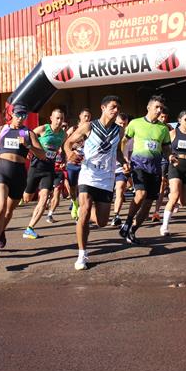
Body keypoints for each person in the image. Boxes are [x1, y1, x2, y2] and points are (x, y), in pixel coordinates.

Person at [64, 95, 128, 270]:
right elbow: (68, 143)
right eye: (112, 107)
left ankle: (88, 207)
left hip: (106, 179)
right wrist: (70, 153)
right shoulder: (89, 127)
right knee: (84, 213)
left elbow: (118, 153)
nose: (115, 111)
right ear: (103, 108)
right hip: (88, 174)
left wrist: (124, 163)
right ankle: (82, 255)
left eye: (117, 109)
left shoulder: (119, 131)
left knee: (102, 222)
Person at [0, 103, 45, 260]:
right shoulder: (2, 129)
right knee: (1, 206)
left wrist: (28, 145)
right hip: (1, 170)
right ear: (12, 114)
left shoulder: (28, 133)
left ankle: (1, 230)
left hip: (18, 174)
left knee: (9, 211)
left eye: (24, 116)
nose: (21, 118)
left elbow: (42, 155)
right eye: (18, 115)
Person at [119, 95, 172, 245]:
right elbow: (124, 140)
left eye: (161, 108)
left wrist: (171, 157)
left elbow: (167, 148)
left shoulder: (163, 129)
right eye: (156, 107)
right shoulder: (135, 123)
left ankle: (132, 230)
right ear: (148, 107)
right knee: (140, 194)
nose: (159, 110)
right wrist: (125, 159)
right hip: (138, 165)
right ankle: (128, 222)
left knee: (148, 204)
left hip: (155, 169)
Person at [22, 109, 66, 239]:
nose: (59, 121)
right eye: (57, 118)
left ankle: (29, 228)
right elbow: (26, 134)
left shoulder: (63, 135)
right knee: (27, 198)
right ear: (51, 118)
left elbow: (62, 149)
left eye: (61, 118)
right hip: (35, 167)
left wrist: (63, 158)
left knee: (44, 196)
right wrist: (29, 149)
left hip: (49, 169)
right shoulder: (43, 129)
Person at [160, 110, 186, 236]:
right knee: (174, 195)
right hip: (176, 167)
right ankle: (164, 226)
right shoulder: (173, 133)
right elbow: (164, 150)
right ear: (179, 120)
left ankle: (173, 200)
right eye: (185, 119)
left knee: (185, 202)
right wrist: (169, 157)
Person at [65, 109, 91, 220]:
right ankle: (75, 203)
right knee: (72, 187)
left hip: (84, 163)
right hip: (72, 162)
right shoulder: (73, 129)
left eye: (89, 116)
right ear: (80, 116)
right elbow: (64, 142)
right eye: (85, 116)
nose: (87, 118)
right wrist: (69, 152)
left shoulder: (91, 130)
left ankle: (80, 208)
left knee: (82, 187)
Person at [150, 108, 171, 223]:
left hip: (164, 159)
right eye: (161, 117)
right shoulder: (151, 126)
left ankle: (156, 211)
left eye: (165, 117)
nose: (163, 119)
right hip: (151, 159)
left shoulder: (168, 128)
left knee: (162, 184)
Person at [111, 112, 132, 226]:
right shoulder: (109, 133)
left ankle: (116, 215)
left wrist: (128, 164)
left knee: (119, 190)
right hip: (107, 169)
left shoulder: (130, 137)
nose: (122, 127)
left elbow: (132, 153)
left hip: (121, 168)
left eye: (124, 124)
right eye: (120, 124)